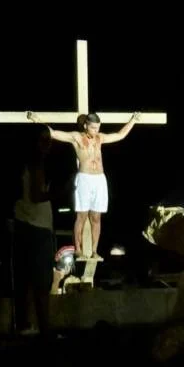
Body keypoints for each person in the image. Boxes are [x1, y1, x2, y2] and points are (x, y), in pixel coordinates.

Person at [27, 111, 141, 260]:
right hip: (84, 178)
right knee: (81, 216)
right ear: (86, 125)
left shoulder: (100, 138)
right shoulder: (77, 137)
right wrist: (37, 119)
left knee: (96, 217)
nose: (96, 131)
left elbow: (120, 135)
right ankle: (78, 250)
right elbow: (53, 133)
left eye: (98, 127)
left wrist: (133, 120)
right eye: (93, 127)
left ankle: (94, 251)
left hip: (99, 179)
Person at [12, 125, 55, 335]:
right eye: (43, 140)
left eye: (50, 140)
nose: (48, 144)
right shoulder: (36, 163)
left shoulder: (21, 164)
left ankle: (24, 325)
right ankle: (45, 328)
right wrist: (60, 193)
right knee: (40, 282)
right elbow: (37, 196)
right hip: (37, 227)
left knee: (24, 280)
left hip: (22, 223)